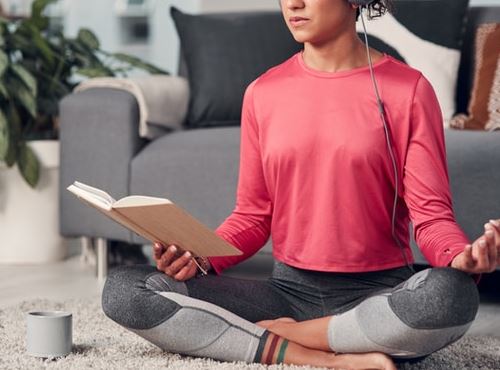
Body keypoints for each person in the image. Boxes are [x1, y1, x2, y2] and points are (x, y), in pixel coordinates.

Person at [101, 1, 500, 369]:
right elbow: (253, 216)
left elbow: (431, 218)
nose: (292, 3)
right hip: (287, 294)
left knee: (452, 294)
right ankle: (325, 356)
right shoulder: (263, 93)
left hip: (379, 298)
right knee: (125, 289)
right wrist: (200, 258)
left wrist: (459, 257)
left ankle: (285, 337)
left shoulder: (408, 90)